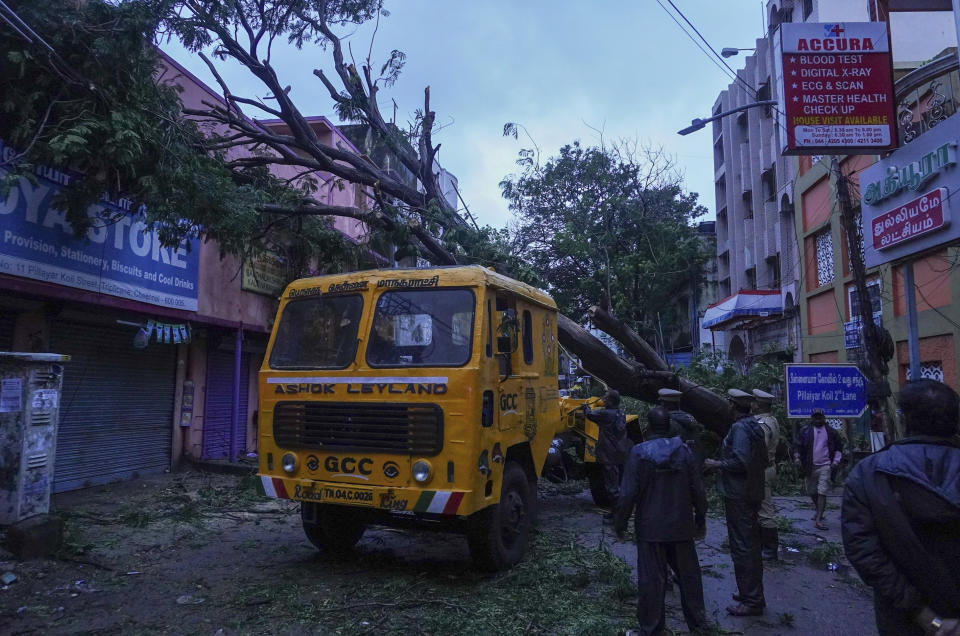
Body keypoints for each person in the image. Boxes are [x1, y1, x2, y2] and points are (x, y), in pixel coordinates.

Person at [842, 379, 960, 636]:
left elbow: (864, 552)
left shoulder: (867, 474)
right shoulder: (868, 474)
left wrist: (925, 616)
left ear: (904, 420)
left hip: (902, 618)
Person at [616, 406, 708, 636]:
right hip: (681, 526)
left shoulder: (638, 452)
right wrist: (700, 518)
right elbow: (698, 489)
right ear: (668, 426)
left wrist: (620, 523)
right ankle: (698, 626)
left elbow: (627, 494)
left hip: (650, 528)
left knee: (651, 581)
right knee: (689, 579)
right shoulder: (684, 451)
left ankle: (651, 629)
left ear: (648, 427)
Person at [704, 389, 767, 616]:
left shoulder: (740, 429)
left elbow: (740, 461)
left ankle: (752, 600)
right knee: (748, 544)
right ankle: (749, 592)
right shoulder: (754, 426)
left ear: (732, 405)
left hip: (739, 494)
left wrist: (715, 464)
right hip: (751, 491)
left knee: (743, 547)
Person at [584, 389, 629, 520]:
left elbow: (590, 415)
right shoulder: (620, 412)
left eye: (605, 398)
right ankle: (618, 511)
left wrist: (585, 407)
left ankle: (618, 514)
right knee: (618, 480)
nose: (603, 399)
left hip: (608, 453)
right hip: (619, 451)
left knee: (611, 485)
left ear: (610, 401)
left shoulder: (605, 414)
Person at [793, 409, 842, 531]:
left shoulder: (831, 432)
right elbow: (797, 446)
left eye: (820, 417)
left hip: (825, 466)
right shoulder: (805, 431)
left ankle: (819, 519)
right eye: (815, 417)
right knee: (812, 492)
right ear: (812, 418)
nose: (818, 419)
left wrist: (835, 462)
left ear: (824, 418)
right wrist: (797, 457)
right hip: (810, 466)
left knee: (822, 492)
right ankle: (818, 509)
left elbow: (839, 448)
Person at [752, 389, 781, 560]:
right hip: (770, 467)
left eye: (754, 402)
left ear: (758, 404)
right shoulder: (772, 420)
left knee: (764, 509)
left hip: (762, 470)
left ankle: (770, 549)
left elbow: (758, 450)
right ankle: (764, 544)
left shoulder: (761, 424)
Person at [657, 388, 701, 455]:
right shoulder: (688, 416)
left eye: (662, 402)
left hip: (678, 459)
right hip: (693, 456)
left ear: (664, 404)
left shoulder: (668, 420)